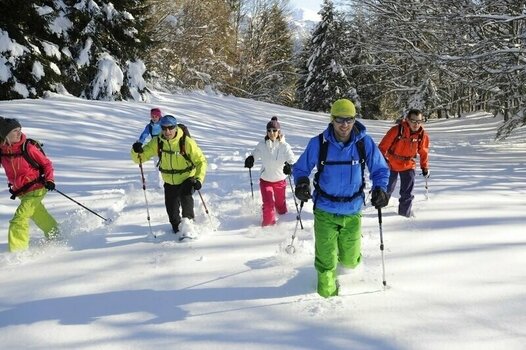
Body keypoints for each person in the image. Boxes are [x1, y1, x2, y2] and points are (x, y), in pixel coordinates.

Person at [292, 99, 390, 298]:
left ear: (354, 120)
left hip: (353, 211)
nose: (344, 125)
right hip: (325, 210)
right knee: (326, 261)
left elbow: (379, 169)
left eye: (349, 119)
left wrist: (381, 188)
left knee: (350, 260)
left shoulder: (364, 143)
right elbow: (301, 168)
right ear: (332, 119)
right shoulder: (318, 143)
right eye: (339, 120)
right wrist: (302, 182)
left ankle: (345, 269)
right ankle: (325, 302)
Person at [130, 115, 207, 234]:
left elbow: (201, 161)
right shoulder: (158, 142)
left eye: (170, 128)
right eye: (164, 128)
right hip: (169, 181)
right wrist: (135, 150)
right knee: (172, 211)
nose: (167, 131)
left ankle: (188, 225)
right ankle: (176, 228)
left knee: (186, 196)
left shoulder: (186, 142)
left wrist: (198, 179)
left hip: (187, 177)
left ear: (175, 127)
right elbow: (140, 158)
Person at [0, 117, 58, 252]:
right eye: (15, 131)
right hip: (22, 192)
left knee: (19, 219)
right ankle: (55, 234)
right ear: (5, 135)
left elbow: (46, 164)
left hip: (36, 188)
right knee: (39, 215)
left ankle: (17, 253)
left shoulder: (28, 147)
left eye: (19, 129)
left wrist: (50, 180)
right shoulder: (3, 151)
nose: (19, 133)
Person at [378, 109, 430, 218]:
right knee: (387, 188)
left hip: (408, 164)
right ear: (407, 120)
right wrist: (383, 161)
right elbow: (382, 147)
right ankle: (380, 208)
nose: (416, 124)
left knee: (407, 193)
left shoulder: (422, 135)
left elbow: (423, 152)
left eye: (419, 121)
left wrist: (424, 167)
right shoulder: (397, 130)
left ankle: (403, 217)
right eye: (413, 121)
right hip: (391, 163)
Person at [244, 117, 295, 226]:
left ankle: (283, 220)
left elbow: (291, 159)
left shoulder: (284, 146)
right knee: (268, 205)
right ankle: (267, 231)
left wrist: (290, 166)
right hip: (266, 180)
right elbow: (255, 153)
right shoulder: (262, 144)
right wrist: (251, 159)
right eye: (269, 130)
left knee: (281, 207)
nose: (271, 133)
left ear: (279, 131)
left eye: (274, 130)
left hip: (280, 181)